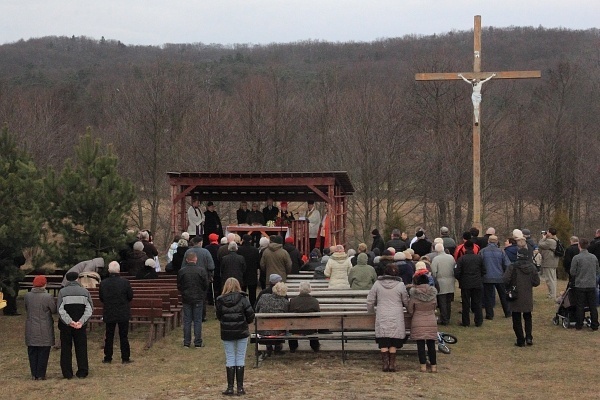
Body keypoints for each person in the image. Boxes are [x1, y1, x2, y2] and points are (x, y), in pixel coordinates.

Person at [216, 277, 255, 396]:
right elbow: (250, 315)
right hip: (241, 331)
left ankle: (230, 387)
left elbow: (219, 316)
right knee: (240, 357)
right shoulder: (243, 299)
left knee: (230, 357)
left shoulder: (220, 300)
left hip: (227, 332)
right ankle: (240, 388)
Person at [367, 263, 409, 372]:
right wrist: (409, 310)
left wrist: (371, 311)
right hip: (396, 313)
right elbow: (405, 300)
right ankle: (392, 364)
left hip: (382, 312)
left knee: (383, 338)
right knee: (394, 339)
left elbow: (370, 300)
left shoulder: (377, 284)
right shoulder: (400, 285)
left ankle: (385, 364)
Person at [57, 271, 93, 379]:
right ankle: (82, 371)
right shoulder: (85, 291)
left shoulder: (62, 292)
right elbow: (89, 309)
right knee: (81, 347)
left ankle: (67, 372)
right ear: (77, 279)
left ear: (67, 279)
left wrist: (69, 321)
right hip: (80, 326)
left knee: (66, 348)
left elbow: (60, 309)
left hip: (66, 325)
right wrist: (81, 321)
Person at [503, 248, 541, 346]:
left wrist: (510, 286)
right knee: (528, 316)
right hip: (527, 294)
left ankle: (520, 339)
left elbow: (505, 279)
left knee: (516, 317)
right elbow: (536, 282)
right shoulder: (532, 267)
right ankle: (528, 337)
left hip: (515, 294)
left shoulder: (512, 266)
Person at [99, 261, 134, 364]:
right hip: (122, 311)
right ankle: (125, 358)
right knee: (124, 335)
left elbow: (101, 298)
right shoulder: (125, 282)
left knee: (109, 335)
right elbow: (130, 296)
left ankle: (108, 357)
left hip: (109, 311)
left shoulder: (104, 283)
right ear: (119, 270)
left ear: (109, 270)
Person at [24, 275, 57, 380]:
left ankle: (34, 374)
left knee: (32, 350)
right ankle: (41, 374)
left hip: (31, 326)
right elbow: (53, 310)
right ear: (44, 284)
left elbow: (26, 308)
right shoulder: (48, 297)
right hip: (44, 326)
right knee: (44, 351)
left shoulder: (27, 296)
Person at [407, 271, 438, 373]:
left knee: (420, 344)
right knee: (431, 344)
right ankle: (434, 366)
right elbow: (434, 307)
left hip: (418, 320)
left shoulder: (414, 294)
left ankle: (423, 366)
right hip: (431, 320)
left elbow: (410, 309)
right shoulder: (433, 294)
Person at [177, 252, 209, 348]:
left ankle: (187, 342)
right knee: (197, 320)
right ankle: (197, 342)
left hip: (186, 297)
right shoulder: (201, 271)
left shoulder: (182, 271)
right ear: (195, 259)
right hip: (198, 297)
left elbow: (179, 285)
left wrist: (184, 292)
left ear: (187, 260)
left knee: (187, 320)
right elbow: (205, 285)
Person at [569, 238, 600, 331]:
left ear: (579, 246)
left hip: (580, 285)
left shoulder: (577, 258)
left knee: (580, 305)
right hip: (591, 284)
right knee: (592, 306)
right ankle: (595, 324)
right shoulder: (593, 257)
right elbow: (597, 270)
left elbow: (572, 272)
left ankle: (579, 324)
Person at [454, 241, 485, 327]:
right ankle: (478, 321)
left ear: (464, 248)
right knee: (478, 303)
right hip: (477, 283)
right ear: (473, 247)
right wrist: (479, 277)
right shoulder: (479, 258)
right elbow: (484, 270)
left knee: (466, 303)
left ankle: (466, 322)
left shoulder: (462, 259)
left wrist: (461, 279)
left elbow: (457, 272)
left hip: (466, 284)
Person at [480, 235, 511, 320]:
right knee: (503, 296)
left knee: (488, 297)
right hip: (500, 277)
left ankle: (489, 315)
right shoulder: (501, 252)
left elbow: (480, 264)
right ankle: (507, 312)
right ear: (497, 242)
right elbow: (507, 264)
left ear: (488, 242)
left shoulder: (483, 252)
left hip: (487, 277)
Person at [255, 282, 290, 355]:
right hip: (278, 331)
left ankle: (269, 347)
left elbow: (256, 309)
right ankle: (277, 347)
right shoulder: (285, 302)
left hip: (262, 330)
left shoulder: (264, 297)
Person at [288, 281, 321, 353]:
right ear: (310, 289)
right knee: (313, 324)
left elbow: (289, 314)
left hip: (295, 329)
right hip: (310, 329)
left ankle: (293, 346)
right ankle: (315, 346)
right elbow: (318, 315)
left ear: (299, 289)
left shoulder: (293, 301)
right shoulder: (314, 301)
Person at [430, 243, 455, 326]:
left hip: (441, 282)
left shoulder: (436, 259)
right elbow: (454, 267)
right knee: (448, 301)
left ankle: (444, 319)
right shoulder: (451, 257)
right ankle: (448, 317)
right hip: (451, 281)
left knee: (442, 302)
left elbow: (433, 271)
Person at [237, 234, 260, 307]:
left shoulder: (239, 250)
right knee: (252, 293)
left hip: (242, 274)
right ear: (250, 241)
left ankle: (242, 306)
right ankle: (252, 307)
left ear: (243, 240)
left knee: (242, 292)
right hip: (252, 273)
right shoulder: (255, 250)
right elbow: (258, 263)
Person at [538, 228, 560, 300]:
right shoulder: (556, 240)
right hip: (552, 262)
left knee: (549, 279)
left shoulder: (550, 241)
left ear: (550, 233)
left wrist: (543, 238)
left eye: (547, 232)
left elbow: (540, 245)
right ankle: (552, 293)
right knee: (552, 279)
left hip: (549, 262)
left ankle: (552, 295)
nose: (546, 233)